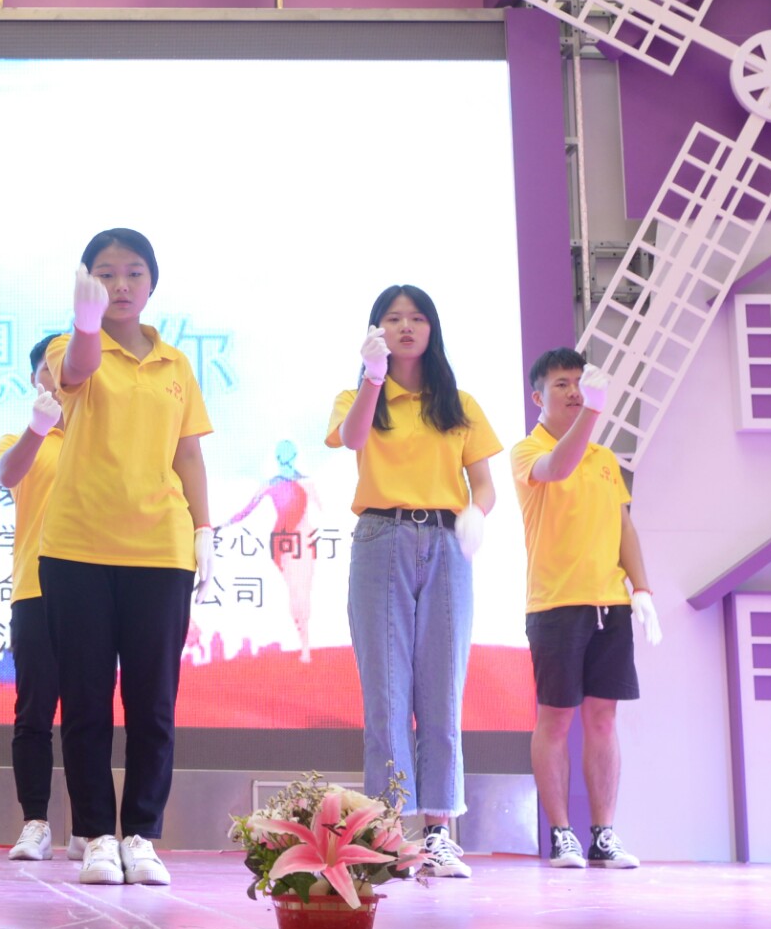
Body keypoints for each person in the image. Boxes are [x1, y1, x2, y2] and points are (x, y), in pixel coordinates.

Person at [38, 231, 213, 888]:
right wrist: (86, 324)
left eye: (133, 272)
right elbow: (77, 372)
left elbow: (188, 452)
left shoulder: (175, 364)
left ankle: (140, 834)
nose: (119, 285)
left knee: (152, 704)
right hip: (77, 546)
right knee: (85, 702)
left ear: (151, 283)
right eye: (105, 273)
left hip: (160, 549)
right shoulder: (68, 346)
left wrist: (204, 529)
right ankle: (95, 836)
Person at [327, 284, 501, 880]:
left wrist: (476, 513)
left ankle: (439, 832)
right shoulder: (359, 395)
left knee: (442, 691)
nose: (406, 327)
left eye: (417, 318)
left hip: (448, 542)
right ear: (374, 330)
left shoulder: (458, 402)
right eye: (393, 318)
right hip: (382, 537)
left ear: (432, 329)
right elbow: (352, 438)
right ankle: (387, 832)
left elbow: (484, 483)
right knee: (387, 695)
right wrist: (373, 379)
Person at [513, 349, 658, 869]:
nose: (574, 391)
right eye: (562, 384)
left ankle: (603, 834)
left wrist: (642, 590)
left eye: (580, 382)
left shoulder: (604, 459)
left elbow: (624, 526)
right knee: (555, 719)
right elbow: (558, 466)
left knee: (603, 718)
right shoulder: (527, 450)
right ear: (538, 396)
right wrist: (594, 411)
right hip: (555, 604)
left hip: (609, 604)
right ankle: (561, 834)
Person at [0, 333, 66, 861]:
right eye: (48, 368)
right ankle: (35, 822)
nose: (58, 376)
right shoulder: (19, 439)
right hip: (36, 588)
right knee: (34, 713)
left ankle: (90, 829)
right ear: (34, 378)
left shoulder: (101, 438)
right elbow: (5, 474)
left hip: (95, 589)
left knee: (88, 715)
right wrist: (39, 429)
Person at [224, 441, 322, 663]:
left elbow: (324, 509)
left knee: (303, 591)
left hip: (304, 539)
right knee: (295, 591)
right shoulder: (271, 484)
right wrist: (223, 524)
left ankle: (306, 646)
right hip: (283, 541)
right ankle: (303, 643)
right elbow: (246, 510)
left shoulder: (306, 482)